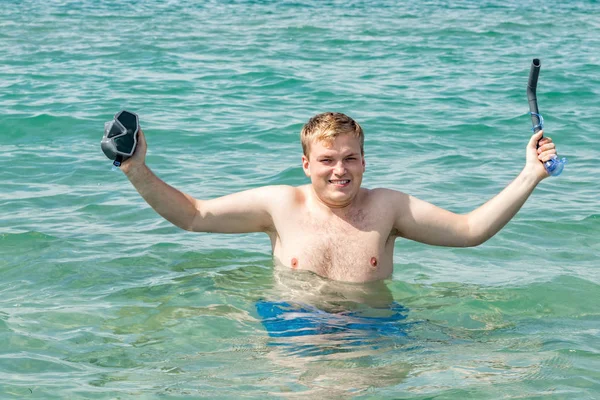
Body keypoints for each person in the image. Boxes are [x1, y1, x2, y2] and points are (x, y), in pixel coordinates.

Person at [119, 112, 558, 283]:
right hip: (295, 329)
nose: (340, 170)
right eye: (327, 159)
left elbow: (469, 231)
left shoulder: (389, 208)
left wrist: (530, 174)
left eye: (351, 158)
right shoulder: (279, 205)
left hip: (374, 329)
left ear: (365, 162)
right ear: (306, 164)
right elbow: (194, 215)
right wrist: (136, 170)